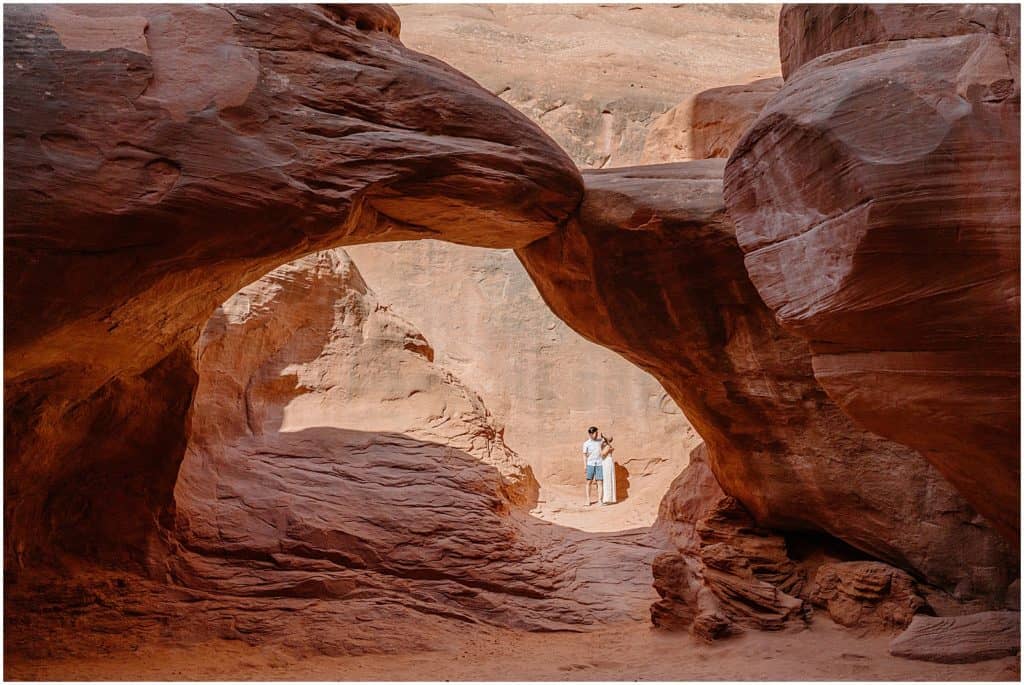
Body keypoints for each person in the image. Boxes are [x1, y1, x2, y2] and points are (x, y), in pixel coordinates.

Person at [582, 426, 604, 506]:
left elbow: (610, 439)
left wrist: (604, 436)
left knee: (600, 482)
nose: (597, 434)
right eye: (595, 433)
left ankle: (600, 500)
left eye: (597, 433)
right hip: (590, 464)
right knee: (589, 482)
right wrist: (585, 466)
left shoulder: (600, 441)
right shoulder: (586, 444)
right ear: (590, 434)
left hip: (599, 464)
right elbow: (584, 455)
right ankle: (588, 500)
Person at [600, 435, 616, 505]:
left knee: (607, 479)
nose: (602, 440)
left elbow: (603, 454)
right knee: (607, 479)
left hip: (607, 463)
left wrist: (599, 448)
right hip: (606, 462)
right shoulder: (608, 446)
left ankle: (607, 499)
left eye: (603, 439)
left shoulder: (607, 446)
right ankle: (609, 498)